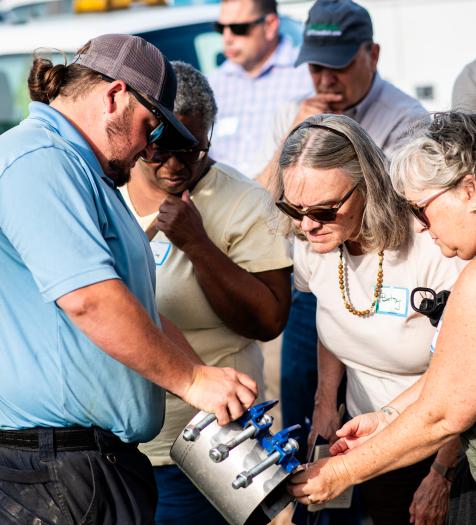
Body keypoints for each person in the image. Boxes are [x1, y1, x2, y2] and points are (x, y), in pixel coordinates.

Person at [0, 34, 258, 525]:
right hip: (52, 469)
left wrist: (205, 384)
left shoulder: (81, 168)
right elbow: (89, 302)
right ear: (115, 95)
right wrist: (191, 379)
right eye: (151, 126)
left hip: (85, 468)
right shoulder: (40, 160)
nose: (149, 147)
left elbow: (134, 308)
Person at [257, 0, 428, 469]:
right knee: (307, 416)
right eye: (316, 67)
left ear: (372, 54)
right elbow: (260, 200)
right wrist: (297, 136)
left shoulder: (407, 119)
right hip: (323, 278)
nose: (326, 80)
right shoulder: (294, 113)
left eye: (339, 66)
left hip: (386, 281)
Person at [121, 61, 292, 525]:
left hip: (208, 445)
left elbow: (269, 320)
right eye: (161, 148)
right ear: (141, 133)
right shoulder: (105, 193)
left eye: (192, 149)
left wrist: (198, 244)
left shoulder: (241, 201)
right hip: (117, 446)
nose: (176, 165)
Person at [273, 113, 464, 524]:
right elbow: (335, 318)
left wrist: (441, 474)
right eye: (294, 207)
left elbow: (462, 382)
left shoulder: (434, 242)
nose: (307, 225)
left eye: (324, 210)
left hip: (439, 444)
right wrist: (327, 400)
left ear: (368, 188)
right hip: (370, 433)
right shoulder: (312, 243)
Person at [208, 0, 312, 177]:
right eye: (220, 28)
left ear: (270, 25)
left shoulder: (307, 75)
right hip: (220, 200)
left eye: (238, 28)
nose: (227, 38)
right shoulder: (213, 84)